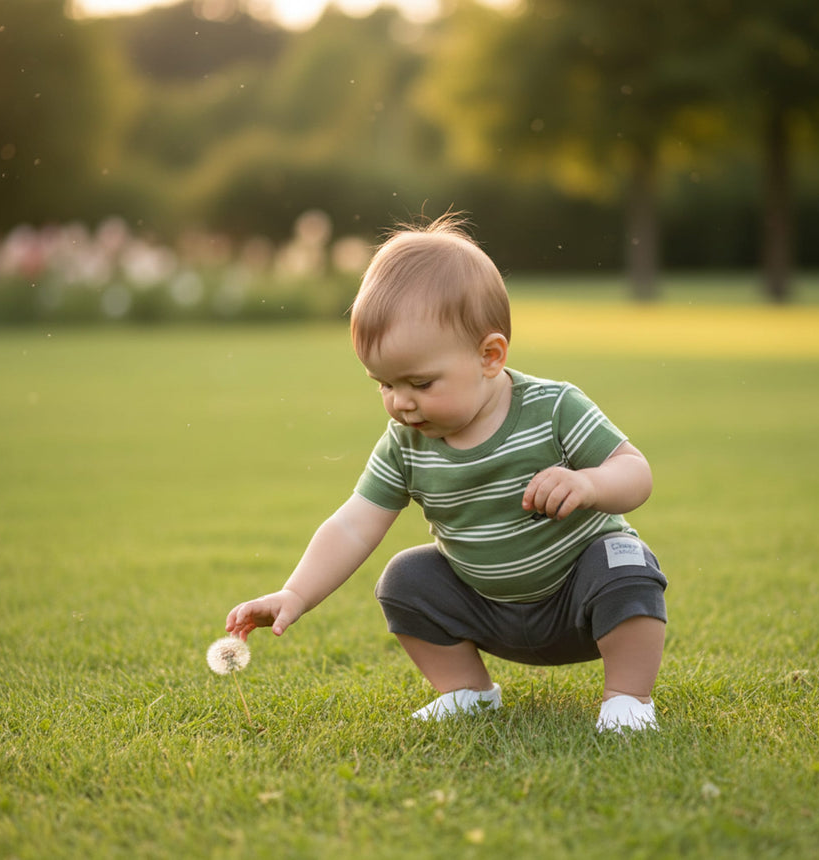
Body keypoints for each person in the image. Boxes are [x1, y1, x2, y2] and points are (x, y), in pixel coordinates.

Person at [225, 215, 667, 733]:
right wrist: (294, 594)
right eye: (384, 384)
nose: (400, 403)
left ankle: (627, 700)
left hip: (578, 602)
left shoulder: (553, 407)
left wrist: (590, 484)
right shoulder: (407, 445)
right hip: (488, 611)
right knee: (406, 579)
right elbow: (354, 523)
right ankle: (467, 691)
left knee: (625, 563)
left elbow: (635, 473)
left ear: (489, 356)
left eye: (420, 382)